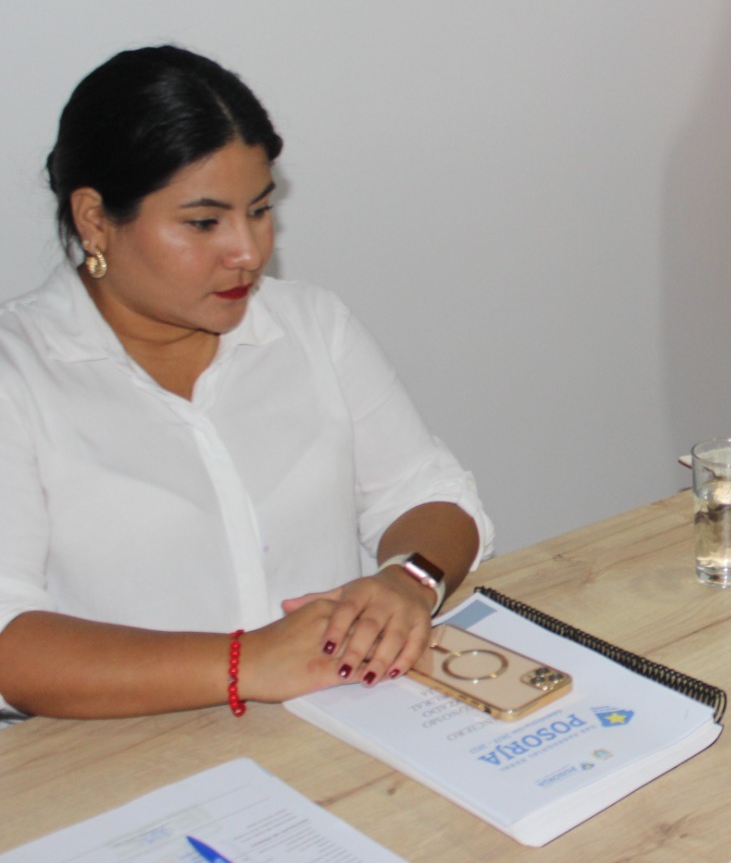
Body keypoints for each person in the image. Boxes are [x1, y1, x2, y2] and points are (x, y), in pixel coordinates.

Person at [0, 46, 493, 723]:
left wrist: (407, 582)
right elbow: (10, 642)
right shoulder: (18, 375)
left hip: (347, 723)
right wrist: (247, 662)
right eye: (203, 223)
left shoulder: (311, 325)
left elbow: (428, 494)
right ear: (94, 219)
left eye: (259, 210)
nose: (249, 251)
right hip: (126, 752)